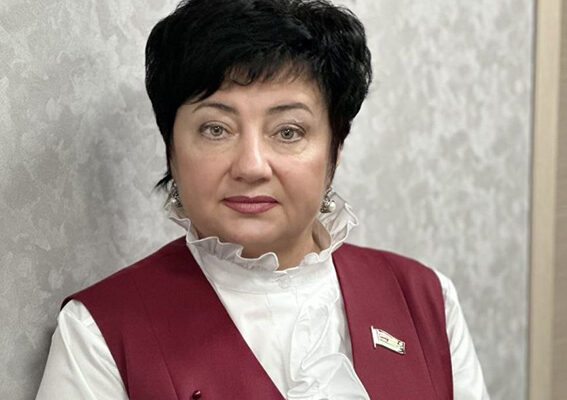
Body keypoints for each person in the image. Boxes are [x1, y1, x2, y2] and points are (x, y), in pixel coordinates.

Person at [36, 0, 489, 399]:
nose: (251, 166)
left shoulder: (427, 299)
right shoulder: (98, 333)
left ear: (334, 151)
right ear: (171, 150)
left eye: (288, 132)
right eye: (216, 129)